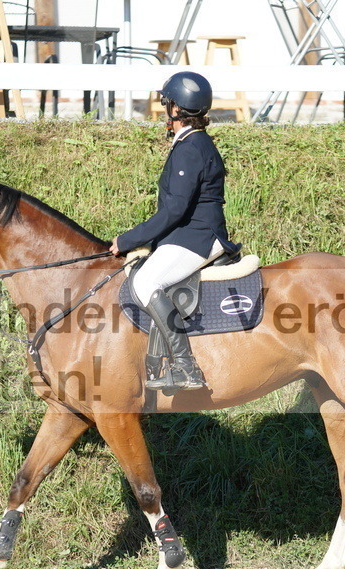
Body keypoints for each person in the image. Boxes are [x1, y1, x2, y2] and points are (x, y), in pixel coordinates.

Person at [110, 71, 238, 393]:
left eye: (167, 103)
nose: (165, 109)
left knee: (144, 282)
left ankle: (185, 367)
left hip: (196, 238)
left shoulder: (190, 147)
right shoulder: (193, 142)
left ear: (177, 108)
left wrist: (127, 240)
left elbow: (174, 210)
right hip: (189, 234)